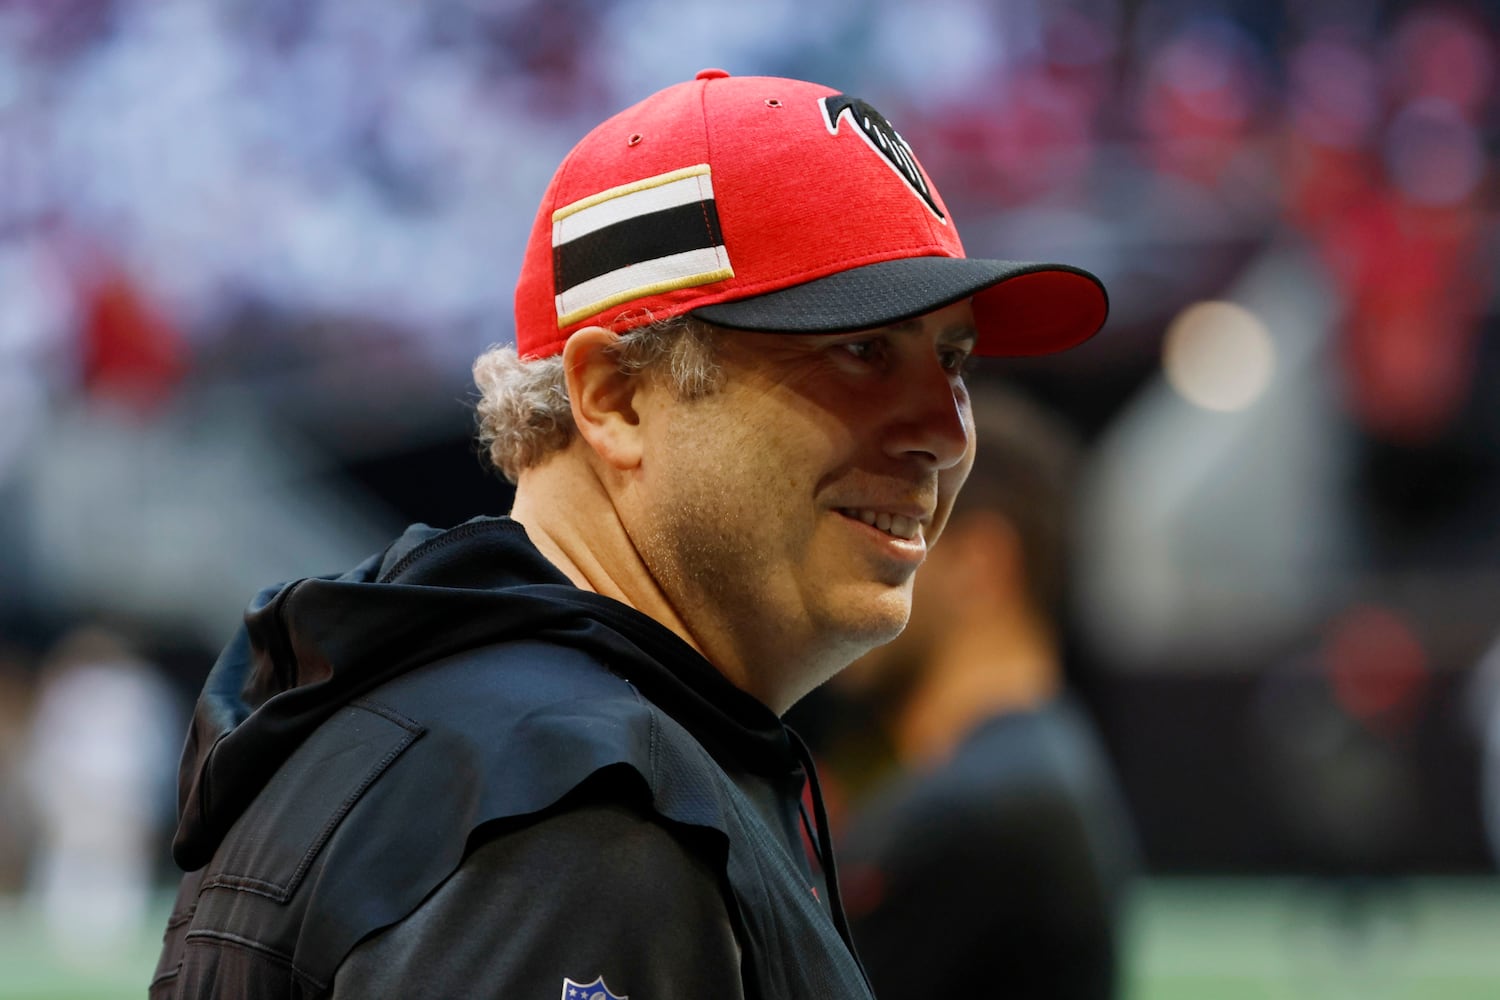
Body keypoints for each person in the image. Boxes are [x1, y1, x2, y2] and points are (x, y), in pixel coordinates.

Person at [150, 69, 1108, 999]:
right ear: (614, 398)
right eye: (860, 351)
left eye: (953, 361)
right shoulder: (580, 816)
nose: (946, 433)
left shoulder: (430, 712)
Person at [831, 382, 1140, 1000]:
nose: (850, 575)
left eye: (891, 530)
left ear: (979, 562)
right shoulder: (1040, 766)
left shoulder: (974, 816)